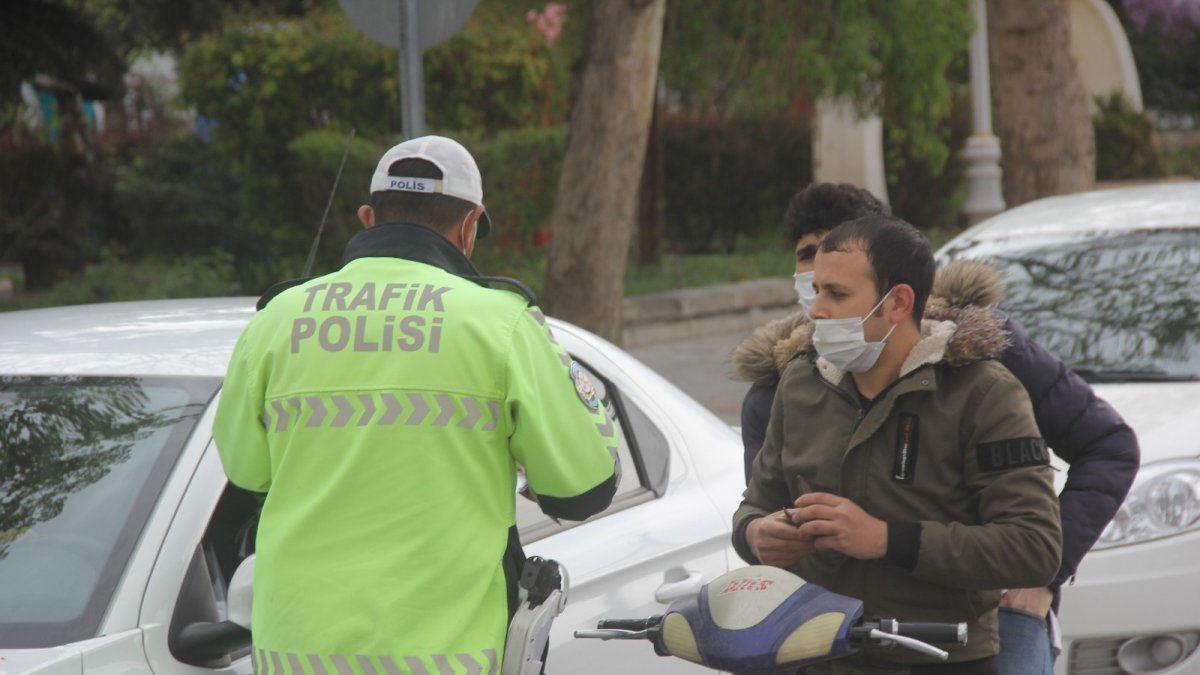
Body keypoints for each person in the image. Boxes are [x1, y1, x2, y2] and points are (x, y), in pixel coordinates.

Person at [213, 135, 619, 674]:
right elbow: (583, 489)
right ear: (470, 225)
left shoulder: (276, 321)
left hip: (297, 657)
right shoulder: (501, 324)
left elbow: (246, 471)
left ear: (367, 217)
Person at [731, 183, 1139, 674]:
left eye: (836, 289)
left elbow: (1041, 532)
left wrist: (1036, 582)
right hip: (824, 646)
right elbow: (759, 505)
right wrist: (757, 534)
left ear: (897, 298)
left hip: (954, 644)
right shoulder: (791, 382)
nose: (816, 304)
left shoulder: (984, 377)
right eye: (809, 265)